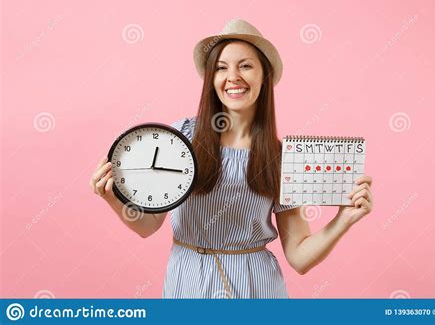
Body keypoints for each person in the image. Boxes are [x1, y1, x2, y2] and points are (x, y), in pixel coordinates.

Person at [89, 19, 374, 298]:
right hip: (188, 283)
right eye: (221, 68)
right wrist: (112, 197)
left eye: (246, 66)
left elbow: (299, 257)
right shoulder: (181, 136)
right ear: (211, 79)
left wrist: (343, 220)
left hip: (256, 288)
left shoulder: (283, 159)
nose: (232, 77)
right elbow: (148, 226)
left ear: (265, 76)